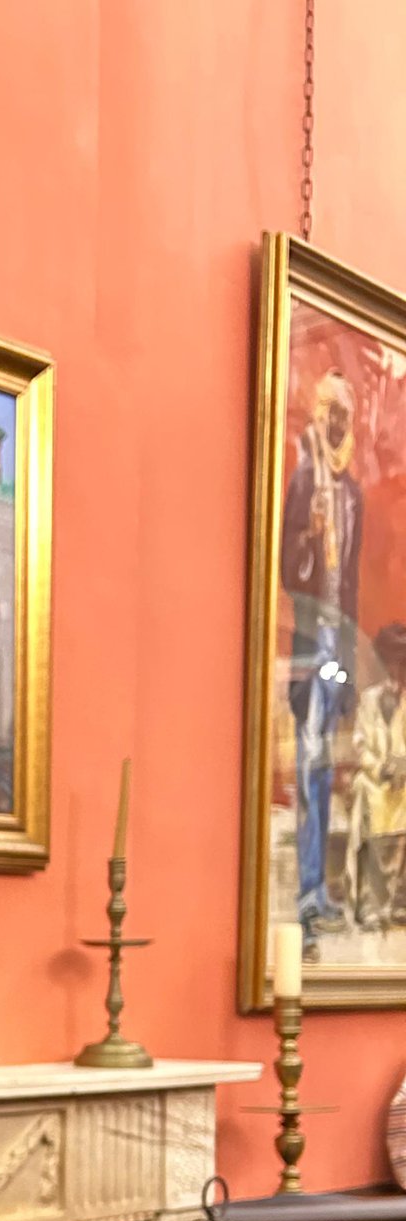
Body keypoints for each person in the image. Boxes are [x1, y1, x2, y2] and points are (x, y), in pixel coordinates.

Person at [280, 368, 365, 941]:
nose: (334, 421)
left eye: (343, 413)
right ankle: (308, 892)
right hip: (313, 641)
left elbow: (351, 582)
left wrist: (351, 665)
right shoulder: (304, 477)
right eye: (328, 410)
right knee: (310, 756)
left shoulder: (352, 494)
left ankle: (317, 891)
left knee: (326, 762)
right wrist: (310, 538)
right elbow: (289, 571)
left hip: (338, 641)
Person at [346, 621, 406, 928]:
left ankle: (399, 900)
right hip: (375, 778)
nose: (395, 670)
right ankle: (369, 902)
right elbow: (359, 744)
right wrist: (379, 767)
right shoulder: (369, 700)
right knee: (365, 793)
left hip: (402, 782)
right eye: (391, 662)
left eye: (401, 663)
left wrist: (401, 767)